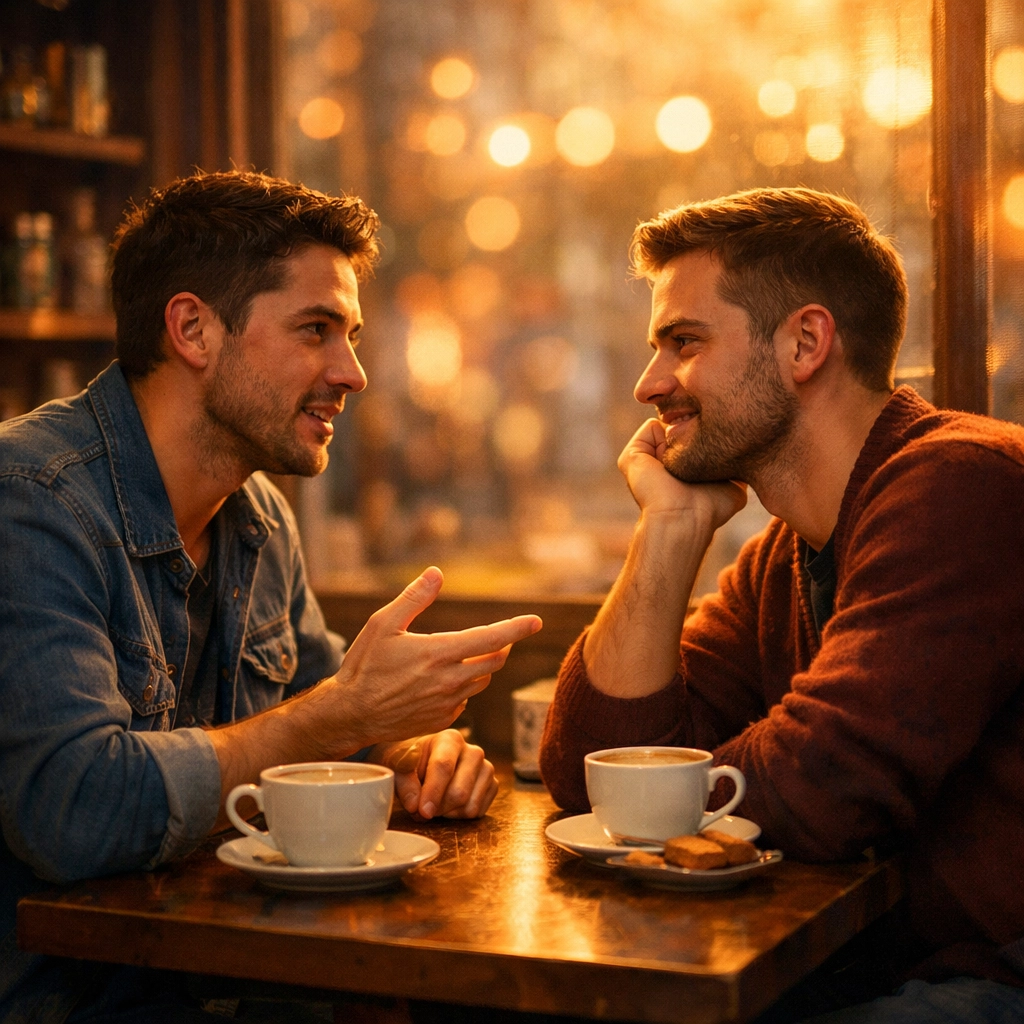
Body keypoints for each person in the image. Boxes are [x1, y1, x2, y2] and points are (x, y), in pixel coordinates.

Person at [0, 170, 542, 1024]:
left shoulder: (255, 516)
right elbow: (74, 810)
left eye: (352, 335)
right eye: (317, 330)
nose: (354, 372)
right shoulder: (31, 501)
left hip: (228, 981)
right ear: (192, 329)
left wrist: (410, 758)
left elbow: (325, 719)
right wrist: (339, 719)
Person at [539, 188, 1024, 1023]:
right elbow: (589, 772)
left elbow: (826, 784)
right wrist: (670, 526)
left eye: (683, 343)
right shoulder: (783, 556)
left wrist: (658, 797)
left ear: (805, 342)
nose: (649, 385)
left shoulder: (961, 482)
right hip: (884, 964)